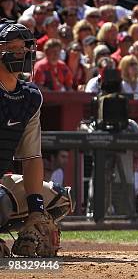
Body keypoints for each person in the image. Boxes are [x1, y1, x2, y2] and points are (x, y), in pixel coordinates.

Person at [0, 19, 64, 257]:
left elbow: (31, 156)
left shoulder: (30, 97)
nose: (21, 52)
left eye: (24, 47)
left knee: (58, 199)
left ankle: (29, 228)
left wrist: (36, 209)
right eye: (12, 47)